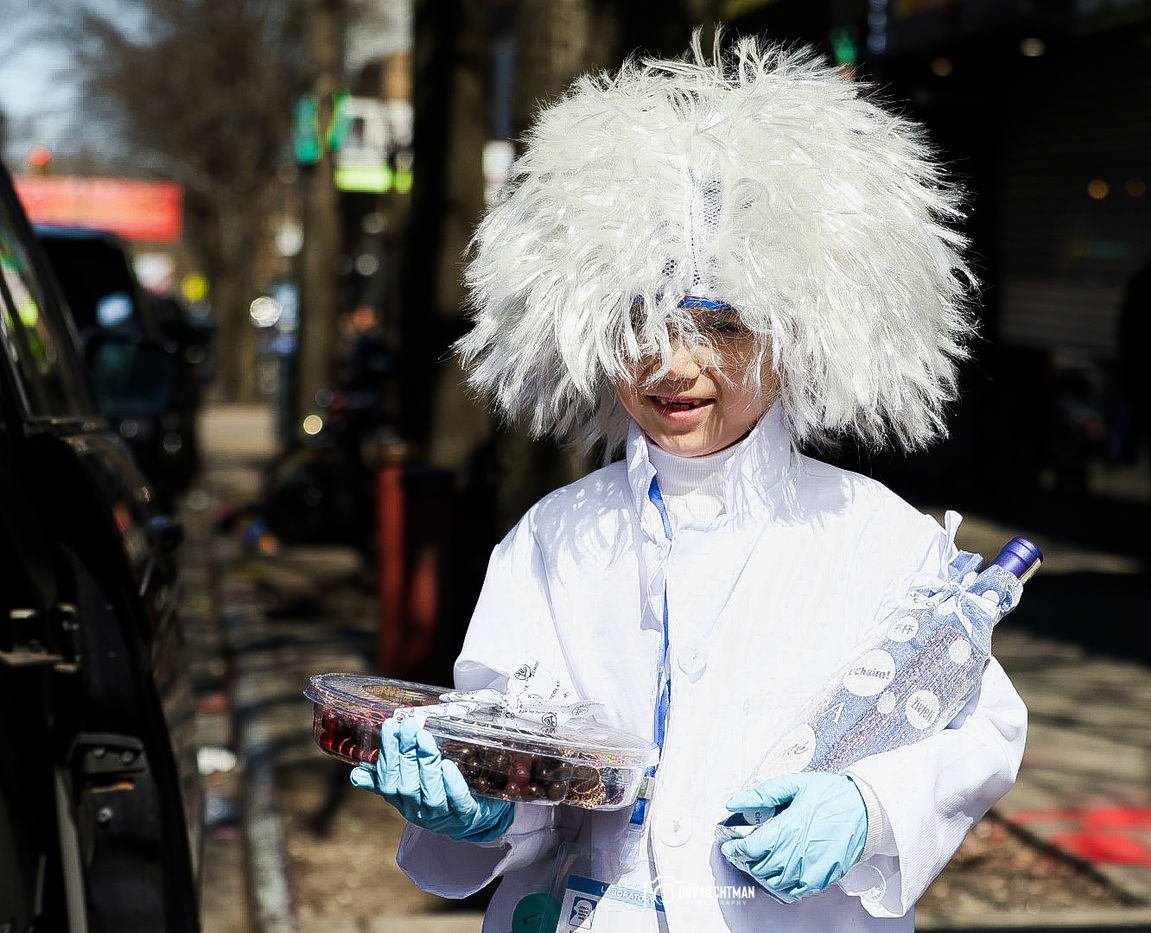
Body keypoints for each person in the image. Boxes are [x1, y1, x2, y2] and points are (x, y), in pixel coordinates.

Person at [350, 34, 1027, 932]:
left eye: (719, 326)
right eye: (636, 320)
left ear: (796, 339)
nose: (670, 364)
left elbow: (980, 724)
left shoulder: (877, 536)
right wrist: (478, 805)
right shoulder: (556, 539)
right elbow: (517, 757)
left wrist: (870, 809)